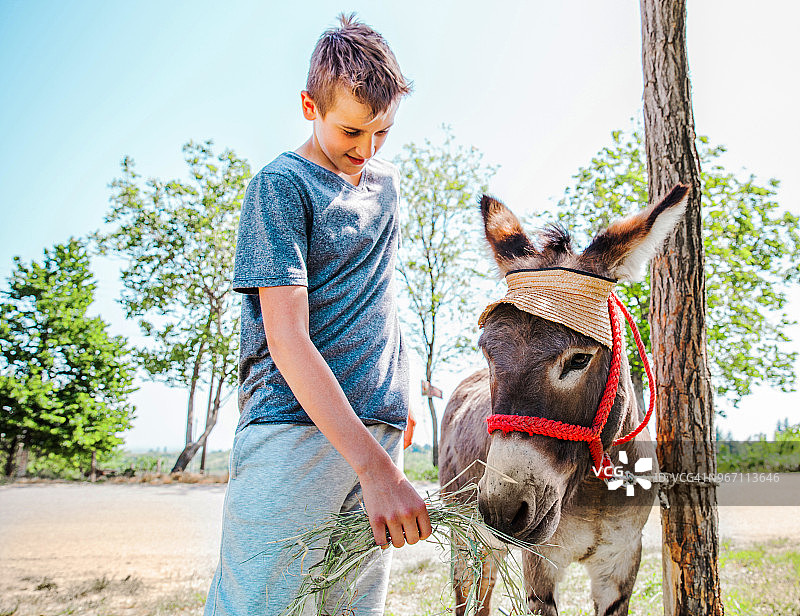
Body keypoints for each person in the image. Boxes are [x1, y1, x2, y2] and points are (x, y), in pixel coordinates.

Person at [203, 13, 432, 616]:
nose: (366, 149)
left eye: (382, 132)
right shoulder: (280, 187)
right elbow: (287, 339)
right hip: (292, 429)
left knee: (353, 608)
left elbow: (382, 292)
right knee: (259, 606)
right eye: (352, 131)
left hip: (377, 427)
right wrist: (375, 468)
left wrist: (400, 391)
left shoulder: (387, 186)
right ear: (310, 104)